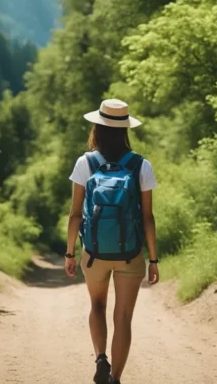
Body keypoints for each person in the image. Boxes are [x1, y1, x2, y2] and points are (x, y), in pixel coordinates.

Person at [64, 98, 159, 384]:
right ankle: (115, 379)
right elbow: (148, 218)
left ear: (98, 127)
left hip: (94, 253)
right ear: (126, 129)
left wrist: (70, 253)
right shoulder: (141, 165)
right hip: (130, 254)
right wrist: (153, 259)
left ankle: (100, 358)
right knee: (124, 317)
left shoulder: (86, 162)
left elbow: (75, 214)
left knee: (97, 306)